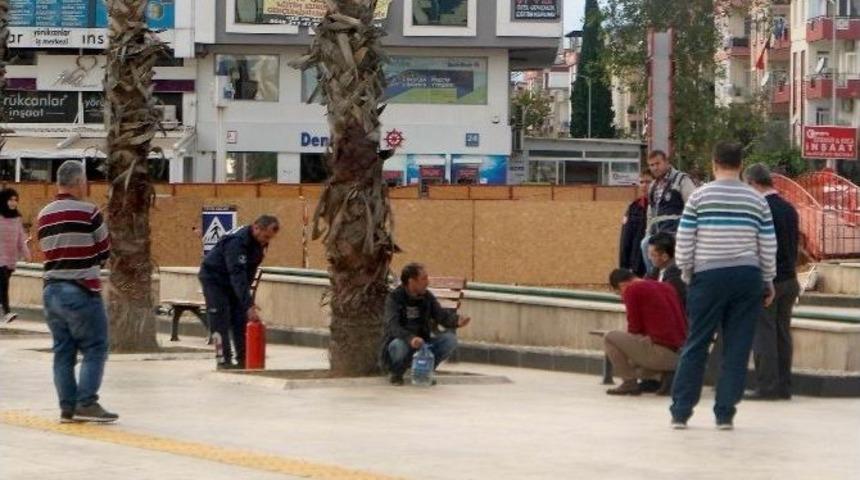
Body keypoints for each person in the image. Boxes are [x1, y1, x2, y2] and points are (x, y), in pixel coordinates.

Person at [670, 142, 777, 430]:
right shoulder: (757, 200)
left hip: (708, 276)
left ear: (714, 163)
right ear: (741, 165)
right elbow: (767, 244)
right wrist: (767, 279)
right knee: (737, 347)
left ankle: (681, 411)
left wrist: (687, 273)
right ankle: (725, 414)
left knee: (696, 343)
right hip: (747, 276)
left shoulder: (699, 197)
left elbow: (685, 240)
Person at [37, 161, 115, 423]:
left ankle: (67, 407)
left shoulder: (43, 215)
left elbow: (47, 249)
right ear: (80, 182)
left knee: (63, 351)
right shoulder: (89, 212)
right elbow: (104, 251)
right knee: (95, 347)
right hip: (81, 289)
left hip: (51, 290)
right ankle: (86, 402)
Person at [744, 163, 800, 401]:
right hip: (790, 279)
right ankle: (784, 385)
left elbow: (759, 247)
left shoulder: (761, 209)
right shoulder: (789, 208)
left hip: (770, 281)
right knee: (782, 334)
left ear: (753, 183)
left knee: (763, 334)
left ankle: (767, 386)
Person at [199, 215, 280, 369]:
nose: (266, 241)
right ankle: (223, 360)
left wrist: (246, 302)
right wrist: (248, 304)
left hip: (234, 281)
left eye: (270, 238)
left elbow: (248, 272)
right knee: (220, 319)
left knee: (240, 318)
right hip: (214, 279)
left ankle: (243, 359)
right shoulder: (237, 241)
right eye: (265, 236)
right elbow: (237, 273)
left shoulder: (259, 243)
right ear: (256, 227)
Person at [382, 263, 471, 385]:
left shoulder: (427, 297)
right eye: (423, 279)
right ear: (411, 281)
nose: (427, 282)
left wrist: (456, 321)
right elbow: (393, 326)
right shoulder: (394, 298)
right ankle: (396, 373)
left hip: (423, 343)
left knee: (450, 340)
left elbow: (441, 315)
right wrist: (410, 338)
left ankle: (426, 371)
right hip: (403, 341)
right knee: (398, 345)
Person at [605, 269, 687, 396]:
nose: (622, 296)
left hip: (661, 353)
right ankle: (663, 375)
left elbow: (634, 328)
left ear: (622, 285)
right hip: (681, 352)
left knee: (610, 337)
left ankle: (629, 382)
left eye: (619, 292)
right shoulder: (666, 286)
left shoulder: (632, 289)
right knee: (632, 355)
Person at [641, 150, 697, 272]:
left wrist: (687, 232)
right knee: (645, 244)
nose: (655, 168)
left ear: (666, 162)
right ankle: (655, 277)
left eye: (657, 163)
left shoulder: (681, 180)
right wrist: (648, 233)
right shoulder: (653, 186)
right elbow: (651, 214)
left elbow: (693, 205)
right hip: (658, 234)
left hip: (675, 233)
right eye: (651, 165)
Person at [0, 188, 31, 323]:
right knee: (3, 283)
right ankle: (7, 312)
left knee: (2, 285)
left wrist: (26, 254)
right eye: (10, 200)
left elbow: (20, 238)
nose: (13, 203)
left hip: (11, 258)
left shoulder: (17, 218)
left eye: (15, 200)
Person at [619, 172, 653, 277]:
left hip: (655, 262)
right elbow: (626, 239)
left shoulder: (663, 206)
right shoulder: (633, 207)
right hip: (637, 265)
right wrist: (624, 268)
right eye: (641, 182)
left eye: (648, 182)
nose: (644, 185)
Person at [645, 232, 686, 310]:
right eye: (649, 254)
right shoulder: (655, 270)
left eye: (652, 255)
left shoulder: (676, 277)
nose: (649, 258)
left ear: (665, 257)